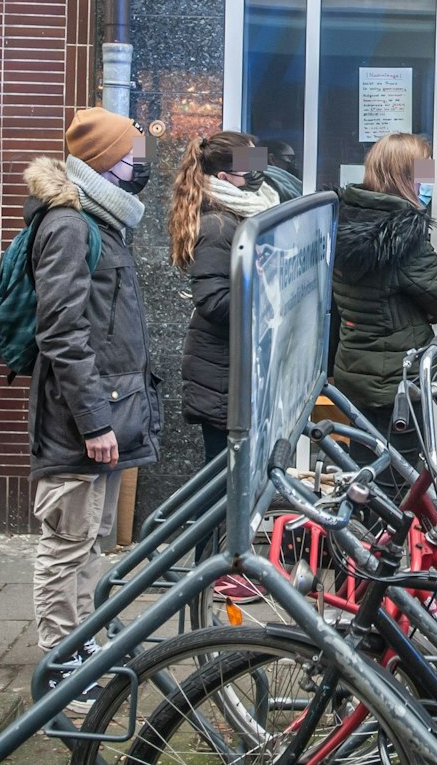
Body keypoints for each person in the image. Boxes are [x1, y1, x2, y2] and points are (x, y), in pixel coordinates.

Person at [23, 107, 162, 715]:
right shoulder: (70, 224)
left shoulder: (103, 217)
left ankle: (84, 643)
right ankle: (60, 665)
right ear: (106, 161)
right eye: (134, 155)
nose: (142, 167)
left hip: (108, 408)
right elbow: (61, 331)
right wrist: (95, 421)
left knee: (93, 540)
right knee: (67, 539)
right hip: (82, 418)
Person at [332, 133, 437, 481]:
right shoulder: (402, 236)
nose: (429, 183)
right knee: (400, 478)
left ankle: (362, 534)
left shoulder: (345, 219)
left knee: (365, 471)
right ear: (402, 177)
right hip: (397, 379)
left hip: (356, 370)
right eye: (424, 174)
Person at [169, 130, 281, 465]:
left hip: (229, 370)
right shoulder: (218, 226)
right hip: (220, 376)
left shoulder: (245, 214)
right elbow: (213, 300)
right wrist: (265, 304)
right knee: (223, 483)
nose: (258, 170)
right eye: (249, 164)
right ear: (223, 177)